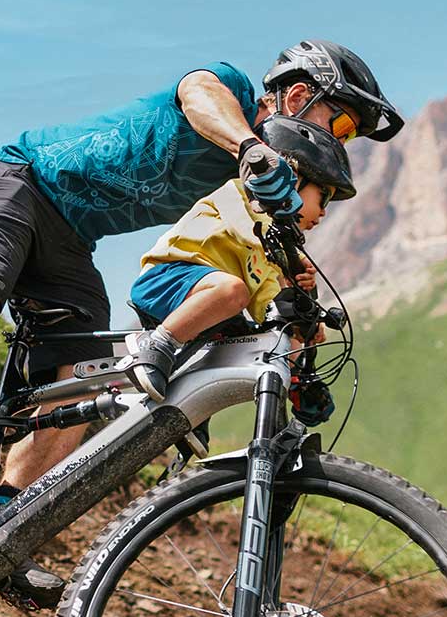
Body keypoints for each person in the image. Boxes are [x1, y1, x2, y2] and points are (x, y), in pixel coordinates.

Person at [0, 39, 401, 510]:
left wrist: (302, 302)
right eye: (340, 124)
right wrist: (248, 146)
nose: (339, 143)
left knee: (75, 390)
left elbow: (271, 250)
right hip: (24, 180)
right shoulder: (231, 97)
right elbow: (196, 94)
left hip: (72, 241)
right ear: (297, 96)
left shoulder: (258, 182)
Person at [117, 114, 356, 402]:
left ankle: (293, 390)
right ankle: (158, 346)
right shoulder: (241, 195)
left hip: (213, 303)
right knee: (232, 290)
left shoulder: (269, 248)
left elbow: (266, 305)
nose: (324, 212)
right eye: (324, 198)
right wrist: (285, 262)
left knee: (265, 339)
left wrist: (298, 319)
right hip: (168, 279)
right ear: (295, 179)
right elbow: (245, 232)